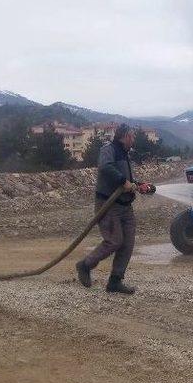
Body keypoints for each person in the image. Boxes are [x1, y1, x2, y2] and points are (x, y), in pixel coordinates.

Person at [75, 123, 155, 294]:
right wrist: (123, 182)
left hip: (125, 206)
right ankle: (85, 265)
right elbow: (105, 167)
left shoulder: (125, 155)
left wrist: (139, 185)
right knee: (114, 241)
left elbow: (127, 181)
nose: (134, 139)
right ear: (125, 136)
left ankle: (115, 281)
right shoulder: (109, 149)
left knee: (127, 243)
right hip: (108, 205)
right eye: (132, 136)